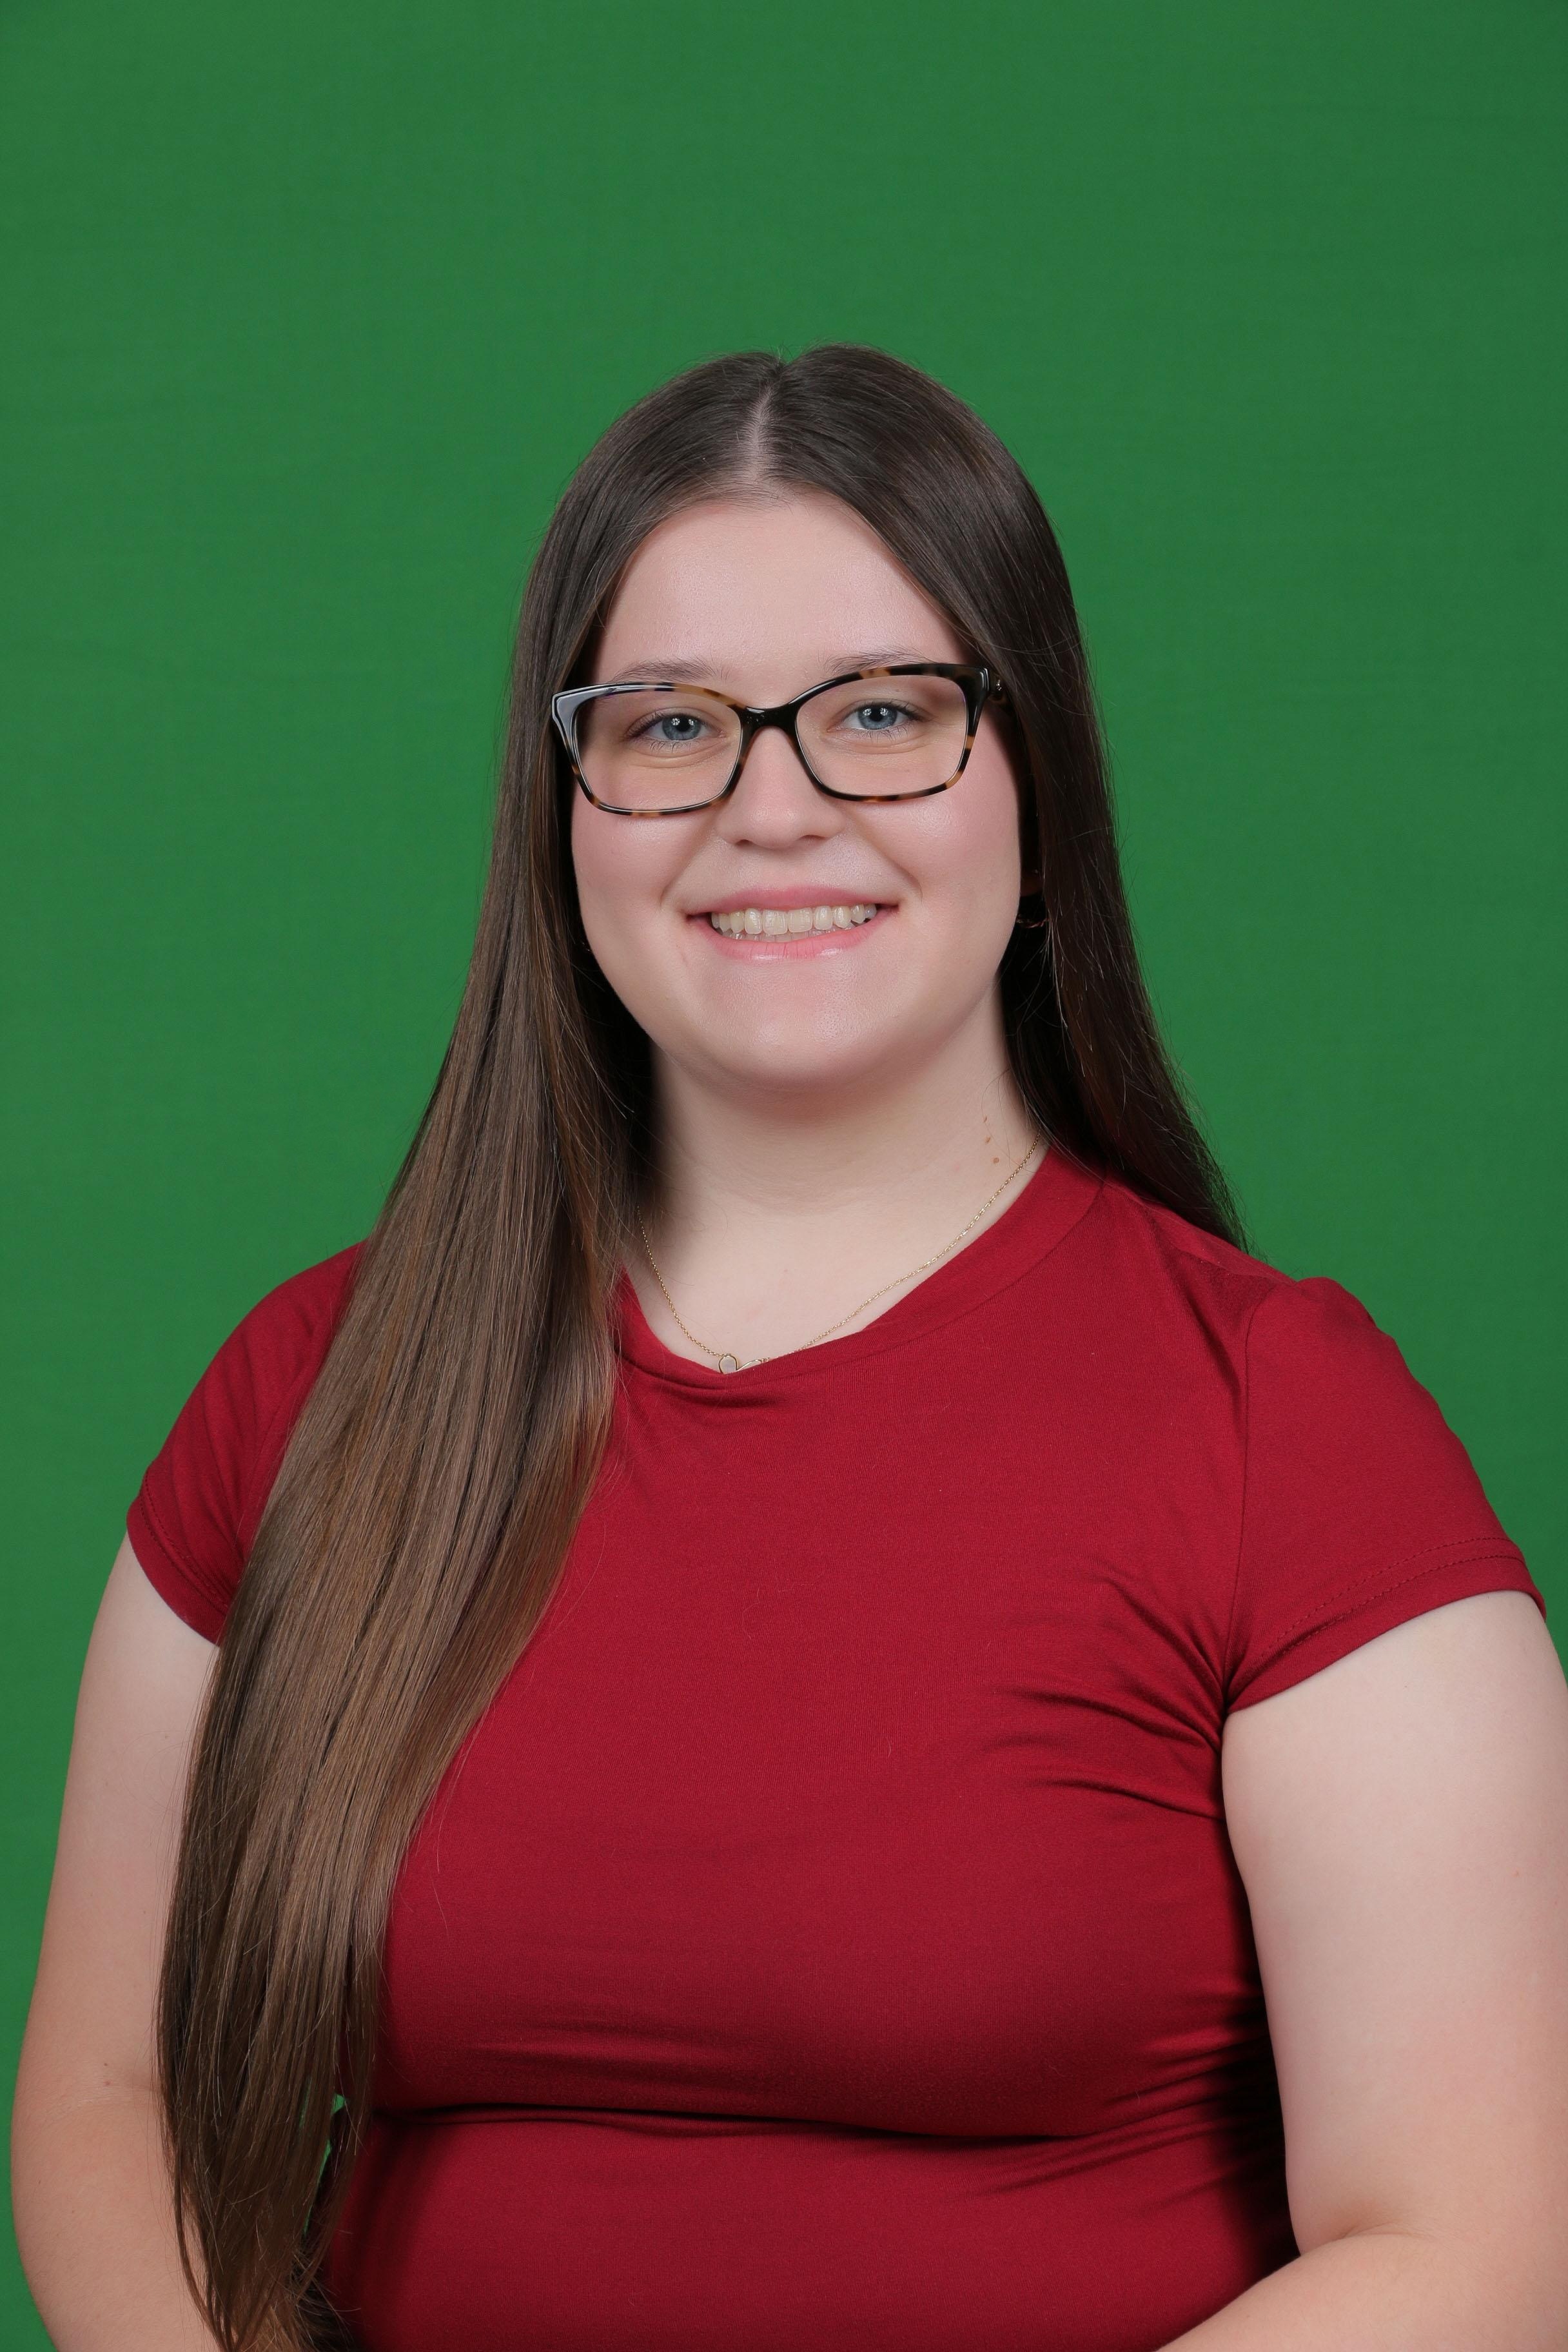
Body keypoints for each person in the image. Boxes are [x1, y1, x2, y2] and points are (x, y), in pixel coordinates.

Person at [12, 344, 1567, 2352]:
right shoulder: (312, 1394)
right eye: (670, 726)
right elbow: (106, 2099)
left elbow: (1475, 2249)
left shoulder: (1288, 1426)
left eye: (885, 713)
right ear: (564, 808)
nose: (775, 807)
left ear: (1037, 782)